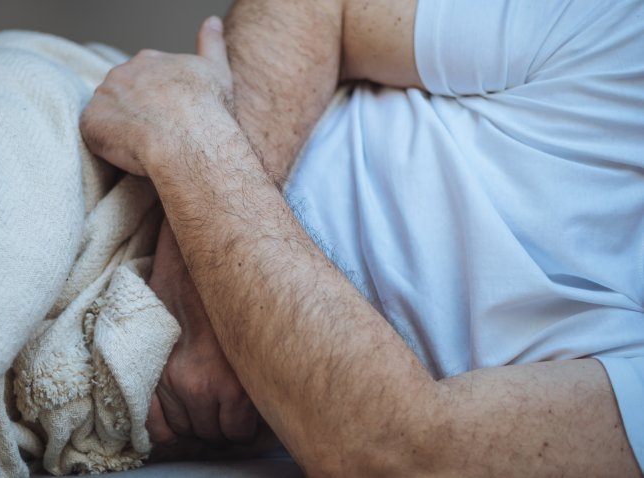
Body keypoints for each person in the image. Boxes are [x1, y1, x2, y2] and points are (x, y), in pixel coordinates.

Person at [80, 0, 644, 475]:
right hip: (143, 148)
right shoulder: (622, 35)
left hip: (178, 143)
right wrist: (201, 313)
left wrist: (192, 144)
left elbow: (401, 450)